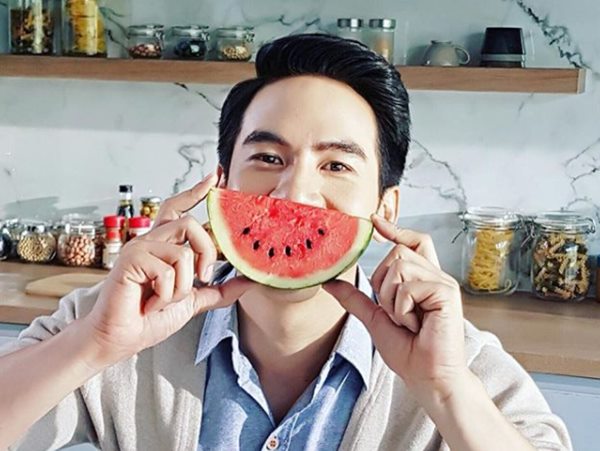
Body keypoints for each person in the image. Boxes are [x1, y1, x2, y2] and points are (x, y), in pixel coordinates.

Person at [0, 34, 570, 451]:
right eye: (268, 158)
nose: (295, 192)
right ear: (221, 186)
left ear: (385, 207)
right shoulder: (115, 319)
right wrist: (95, 344)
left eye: (337, 165)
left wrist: (444, 390)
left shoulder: (453, 358)